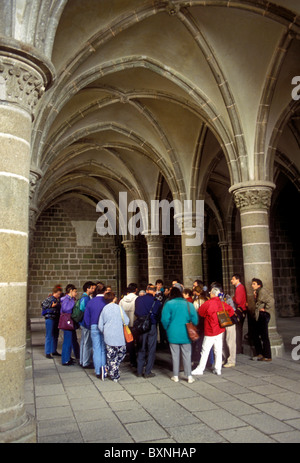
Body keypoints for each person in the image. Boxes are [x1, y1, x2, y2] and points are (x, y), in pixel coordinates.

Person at [192, 286, 235, 376]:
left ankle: (200, 369)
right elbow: (231, 311)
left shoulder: (208, 303)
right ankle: (218, 369)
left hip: (210, 330)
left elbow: (201, 312)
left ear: (212, 294)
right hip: (219, 329)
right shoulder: (222, 303)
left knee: (205, 350)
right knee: (218, 350)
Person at [161, 286, 198, 383]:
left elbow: (164, 319)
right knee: (187, 354)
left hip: (173, 332)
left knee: (175, 355)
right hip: (186, 332)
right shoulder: (189, 304)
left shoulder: (169, 304)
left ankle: (176, 375)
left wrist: (167, 328)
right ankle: (189, 376)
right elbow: (195, 319)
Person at [98, 292, 129, 382]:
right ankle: (115, 375)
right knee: (121, 353)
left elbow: (100, 325)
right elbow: (126, 321)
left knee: (111, 356)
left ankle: (108, 368)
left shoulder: (104, 309)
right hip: (119, 336)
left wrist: (105, 331)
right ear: (114, 298)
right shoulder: (119, 308)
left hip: (108, 336)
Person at [134, 284, 161, 378]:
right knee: (151, 348)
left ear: (147, 290)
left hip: (141, 326)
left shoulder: (138, 299)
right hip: (152, 325)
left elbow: (136, 312)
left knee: (141, 347)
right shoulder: (156, 302)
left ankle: (139, 370)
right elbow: (158, 314)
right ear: (154, 291)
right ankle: (148, 371)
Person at [83, 283, 107, 379]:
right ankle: (104, 369)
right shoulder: (106, 301)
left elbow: (86, 317)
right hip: (104, 327)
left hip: (93, 326)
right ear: (104, 291)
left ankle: (98, 371)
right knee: (103, 349)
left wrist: (89, 326)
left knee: (96, 349)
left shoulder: (91, 302)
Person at [251, 278, 273, 361]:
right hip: (258, 316)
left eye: (254, 284)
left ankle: (267, 356)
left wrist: (265, 309)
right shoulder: (257, 292)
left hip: (263, 315)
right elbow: (258, 303)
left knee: (264, 336)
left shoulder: (262, 291)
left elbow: (271, 301)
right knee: (256, 334)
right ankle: (260, 353)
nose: (252, 285)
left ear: (259, 285)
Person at [119, 283, 138, 367]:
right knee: (136, 341)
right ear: (136, 290)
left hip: (125, 324)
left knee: (129, 341)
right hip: (134, 322)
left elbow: (119, 311)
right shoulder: (137, 299)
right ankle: (135, 359)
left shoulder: (122, 300)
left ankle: (130, 358)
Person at [60, 284, 80, 365]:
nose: (76, 293)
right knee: (67, 341)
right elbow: (65, 309)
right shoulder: (66, 299)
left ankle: (68, 357)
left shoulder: (70, 299)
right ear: (70, 291)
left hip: (70, 322)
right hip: (67, 322)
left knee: (71, 340)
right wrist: (74, 304)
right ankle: (65, 360)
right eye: (75, 291)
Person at [41, 284, 62, 359]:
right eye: (58, 294)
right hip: (50, 318)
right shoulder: (49, 298)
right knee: (49, 335)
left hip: (56, 318)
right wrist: (51, 306)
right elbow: (43, 304)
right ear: (55, 293)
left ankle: (54, 350)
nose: (59, 296)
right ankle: (47, 352)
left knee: (55, 335)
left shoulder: (57, 299)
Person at [79, 281, 96, 368]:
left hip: (83, 323)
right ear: (87, 288)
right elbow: (84, 309)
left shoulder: (85, 297)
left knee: (83, 342)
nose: (93, 290)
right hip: (86, 323)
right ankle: (85, 362)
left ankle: (82, 361)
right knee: (87, 343)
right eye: (92, 288)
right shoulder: (85, 298)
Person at [231, 273, 247, 354]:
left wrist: (232, 298)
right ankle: (239, 347)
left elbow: (238, 301)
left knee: (238, 329)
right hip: (242, 309)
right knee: (238, 329)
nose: (231, 281)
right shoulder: (239, 287)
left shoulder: (239, 288)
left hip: (241, 310)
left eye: (233, 279)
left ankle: (238, 348)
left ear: (238, 280)